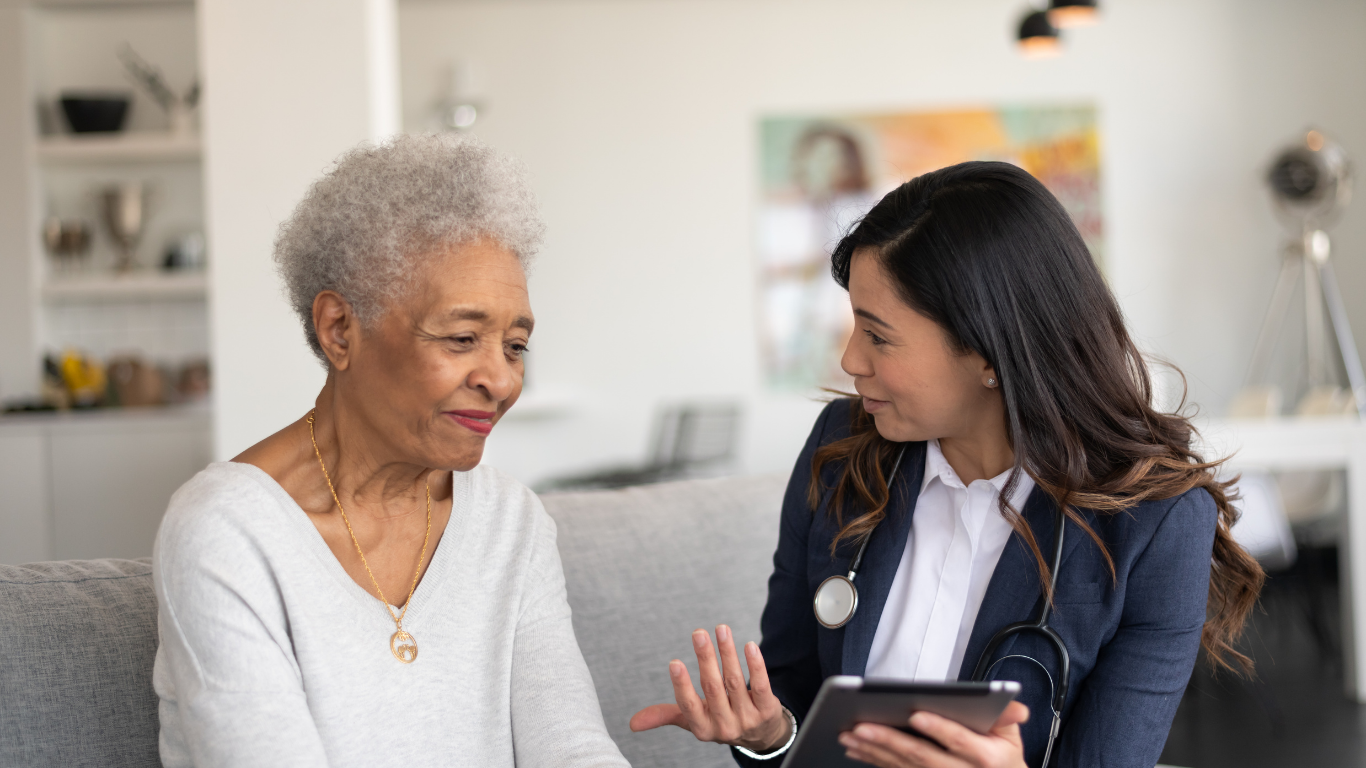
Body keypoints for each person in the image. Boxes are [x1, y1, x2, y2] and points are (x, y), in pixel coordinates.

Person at [630, 161, 1264, 768]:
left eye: (878, 335)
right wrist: (769, 734)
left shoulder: (1156, 524)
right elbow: (795, 699)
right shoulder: (840, 455)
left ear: (991, 354)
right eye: (855, 326)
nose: (851, 360)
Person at [152, 134, 628, 768]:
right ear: (340, 330)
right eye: (462, 338)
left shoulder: (511, 523)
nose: (502, 380)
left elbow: (572, 751)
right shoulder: (227, 532)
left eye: (515, 345)